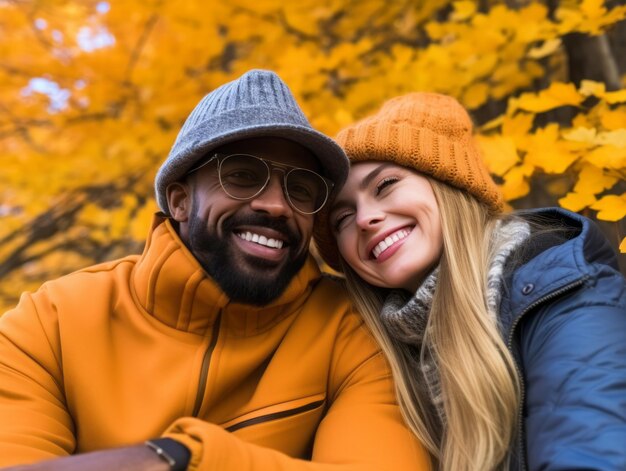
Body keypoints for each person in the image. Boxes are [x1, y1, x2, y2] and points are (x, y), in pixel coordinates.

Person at [0, 70, 430, 471]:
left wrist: (185, 458)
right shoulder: (49, 322)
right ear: (180, 201)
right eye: (242, 176)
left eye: (300, 189)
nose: (277, 205)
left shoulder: (352, 325)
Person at [313, 92, 626, 471]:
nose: (365, 219)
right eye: (342, 218)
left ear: (450, 185)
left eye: (385, 185)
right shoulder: (373, 352)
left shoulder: (566, 300)